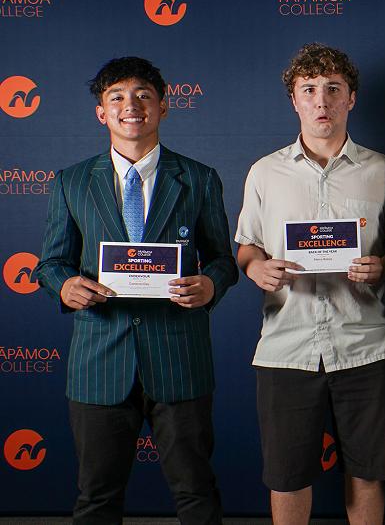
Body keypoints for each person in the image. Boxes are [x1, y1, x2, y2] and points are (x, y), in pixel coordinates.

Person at [36, 56, 238, 524]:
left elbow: (223, 259)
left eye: (144, 95)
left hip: (179, 358)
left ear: (164, 106)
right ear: (101, 113)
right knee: (96, 499)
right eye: (117, 97)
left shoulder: (199, 178)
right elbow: (51, 263)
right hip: (99, 361)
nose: (132, 106)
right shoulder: (71, 182)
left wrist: (210, 284)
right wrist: (65, 287)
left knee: (197, 493)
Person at [234, 43, 385, 525]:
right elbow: (246, 245)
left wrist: (383, 266)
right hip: (286, 346)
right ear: (294, 100)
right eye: (308, 90)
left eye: (333, 88)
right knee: (287, 475)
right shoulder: (265, 172)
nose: (321, 100)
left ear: (352, 98)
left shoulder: (382, 170)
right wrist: (255, 268)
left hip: (364, 343)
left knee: (367, 472)